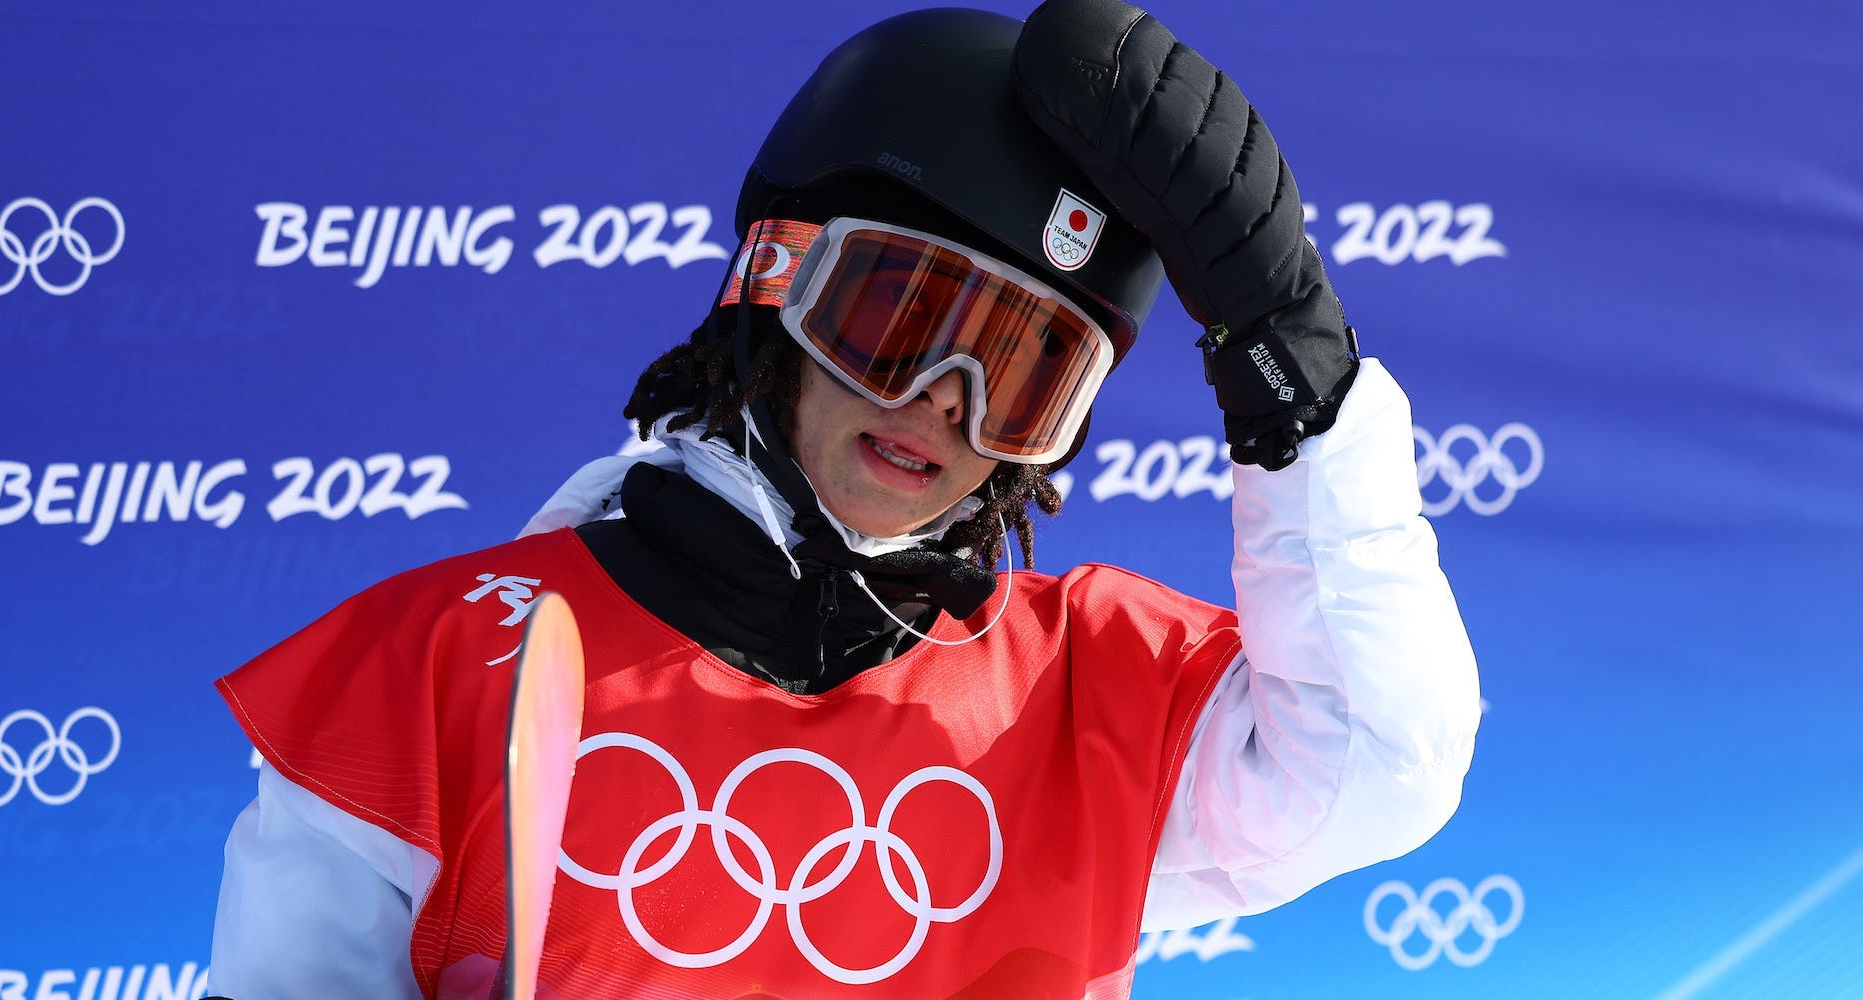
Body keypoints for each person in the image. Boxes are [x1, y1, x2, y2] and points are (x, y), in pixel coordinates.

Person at [206, 2, 1481, 997]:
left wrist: (1295, 372)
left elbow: (1379, 763)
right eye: (902, 316)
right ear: (773, 284)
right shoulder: (427, 672)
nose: (942, 399)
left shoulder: (1084, 689)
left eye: (1023, 372)